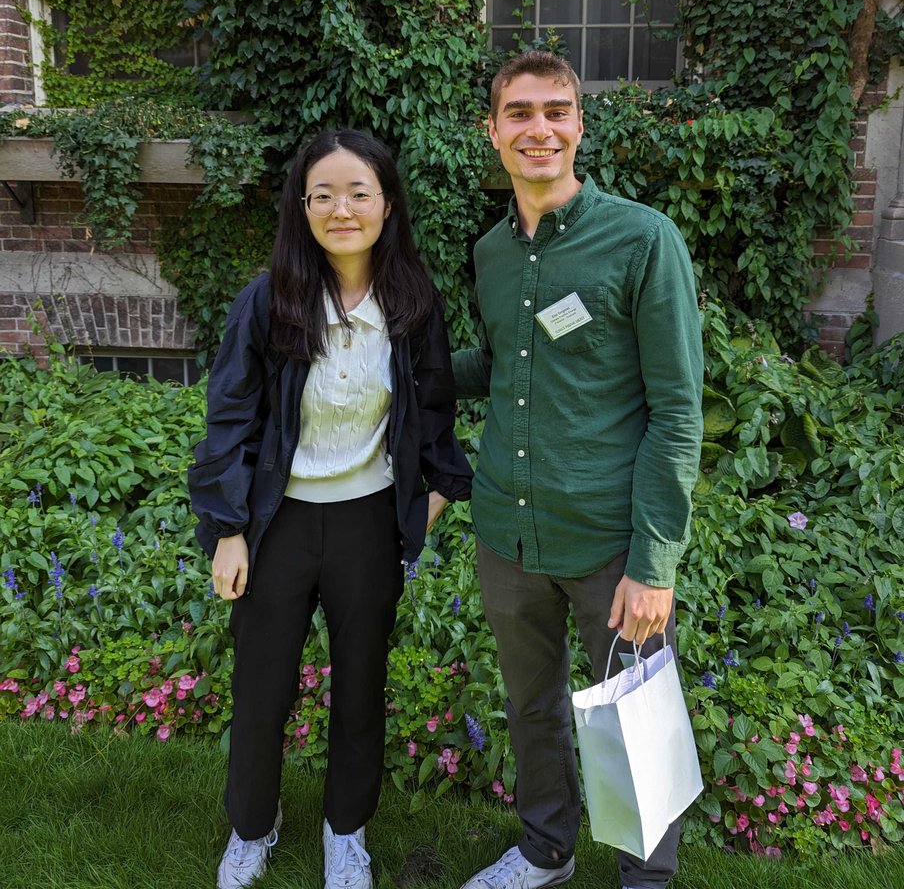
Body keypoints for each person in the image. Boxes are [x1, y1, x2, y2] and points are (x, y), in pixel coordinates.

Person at [189, 129, 473, 889]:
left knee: (358, 689)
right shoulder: (269, 299)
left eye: (358, 192)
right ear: (301, 206)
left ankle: (345, 832)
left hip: (367, 526)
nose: (340, 208)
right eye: (323, 194)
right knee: (262, 688)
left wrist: (424, 509)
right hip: (276, 525)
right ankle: (253, 827)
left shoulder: (412, 300)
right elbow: (230, 420)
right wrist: (227, 531)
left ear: (386, 203)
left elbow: (436, 414)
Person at [453, 51, 703, 889]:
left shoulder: (642, 239)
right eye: (519, 113)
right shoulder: (489, 253)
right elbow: (499, 363)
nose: (540, 127)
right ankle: (545, 850)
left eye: (556, 110)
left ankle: (646, 881)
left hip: (606, 543)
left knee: (634, 719)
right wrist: (393, 360)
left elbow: (677, 412)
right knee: (532, 709)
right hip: (508, 533)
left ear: (579, 126)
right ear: (492, 132)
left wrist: (653, 563)